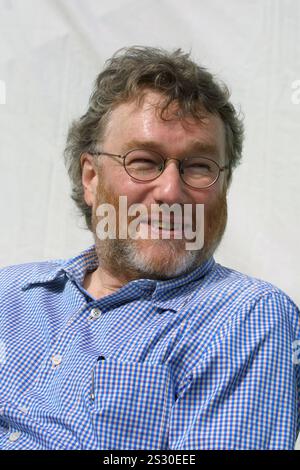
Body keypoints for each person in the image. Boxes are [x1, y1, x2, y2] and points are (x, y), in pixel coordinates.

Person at [0, 46, 299, 450]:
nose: (171, 192)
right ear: (90, 178)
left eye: (199, 166)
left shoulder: (248, 317)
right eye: (144, 161)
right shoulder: (10, 294)